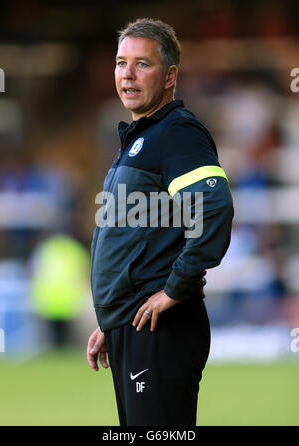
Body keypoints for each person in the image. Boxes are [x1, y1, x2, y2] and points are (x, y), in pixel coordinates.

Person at [87, 18, 233, 426]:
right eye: (120, 63)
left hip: (160, 329)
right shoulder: (141, 138)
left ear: (170, 76)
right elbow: (138, 237)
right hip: (131, 325)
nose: (127, 75)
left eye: (141, 64)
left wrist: (175, 289)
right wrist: (112, 318)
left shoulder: (177, 132)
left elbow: (215, 206)